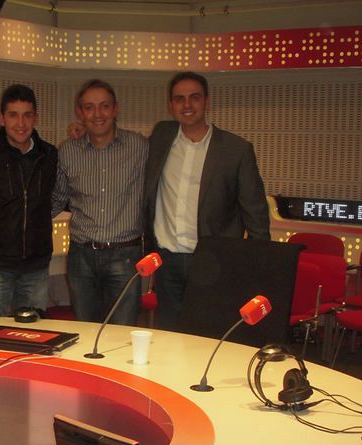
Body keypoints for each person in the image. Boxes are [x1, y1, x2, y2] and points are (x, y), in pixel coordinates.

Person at [143, 71, 270, 330]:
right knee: (169, 335)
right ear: (171, 105)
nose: (187, 105)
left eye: (195, 97)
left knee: (207, 335)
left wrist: (253, 268)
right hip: (167, 260)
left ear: (207, 101)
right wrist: (83, 132)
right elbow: (121, 142)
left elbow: (256, 215)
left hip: (213, 262)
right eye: (179, 99)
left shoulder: (236, 150)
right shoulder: (161, 137)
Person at [53, 79, 148, 326]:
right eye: (89, 107)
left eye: (104, 106)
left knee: (122, 333)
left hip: (125, 256)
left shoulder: (139, 146)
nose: (97, 114)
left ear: (115, 109)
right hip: (81, 257)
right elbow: (58, 198)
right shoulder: (68, 151)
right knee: (86, 330)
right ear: (80, 112)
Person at [0, 84, 59, 316]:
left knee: (34, 333)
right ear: (1, 118)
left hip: (35, 267)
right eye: (13, 115)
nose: (20, 123)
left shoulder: (50, 156)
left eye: (27, 115)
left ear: (35, 118)